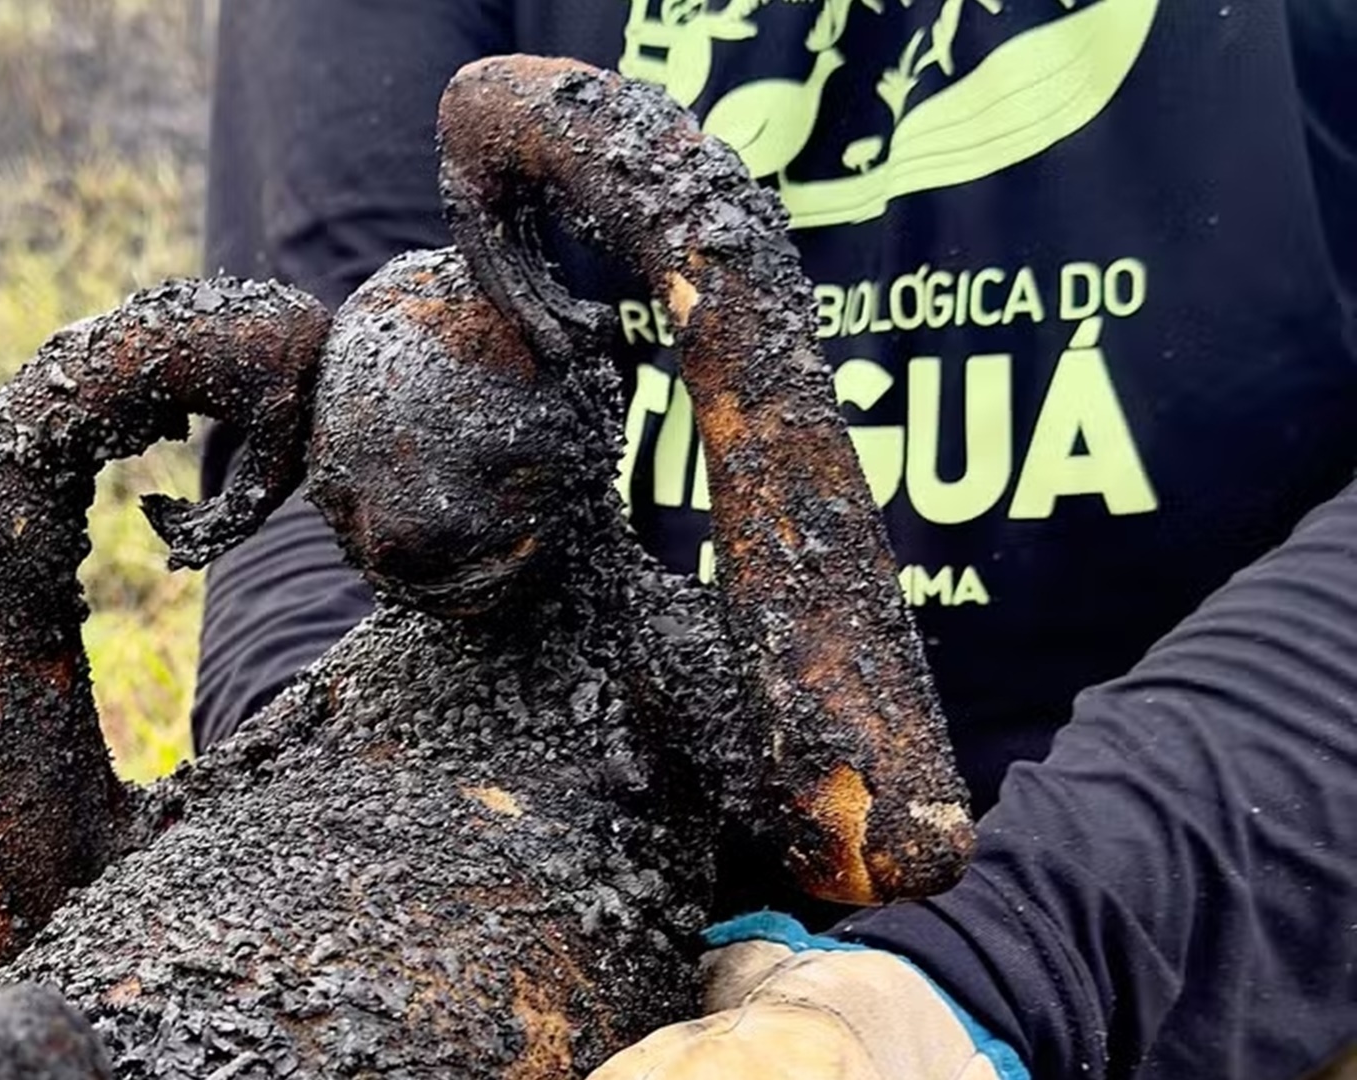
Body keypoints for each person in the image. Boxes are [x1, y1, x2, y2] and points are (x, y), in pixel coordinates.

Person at [193, 1, 1357, 1078]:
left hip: (1236, 888)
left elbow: (886, 824)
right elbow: (323, 425)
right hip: (546, 865)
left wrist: (987, 973)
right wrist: (398, 908)